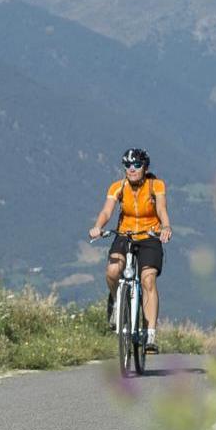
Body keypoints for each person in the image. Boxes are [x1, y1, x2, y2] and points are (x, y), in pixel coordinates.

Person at [86, 148, 172, 352]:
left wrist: (166, 227)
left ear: (145, 167)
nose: (131, 170)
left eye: (137, 165)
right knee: (113, 271)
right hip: (124, 234)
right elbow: (107, 210)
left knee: (148, 280)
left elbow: (161, 209)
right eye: (127, 166)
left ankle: (150, 334)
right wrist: (98, 226)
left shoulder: (155, 185)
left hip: (150, 236)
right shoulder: (118, 187)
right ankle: (117, 302)